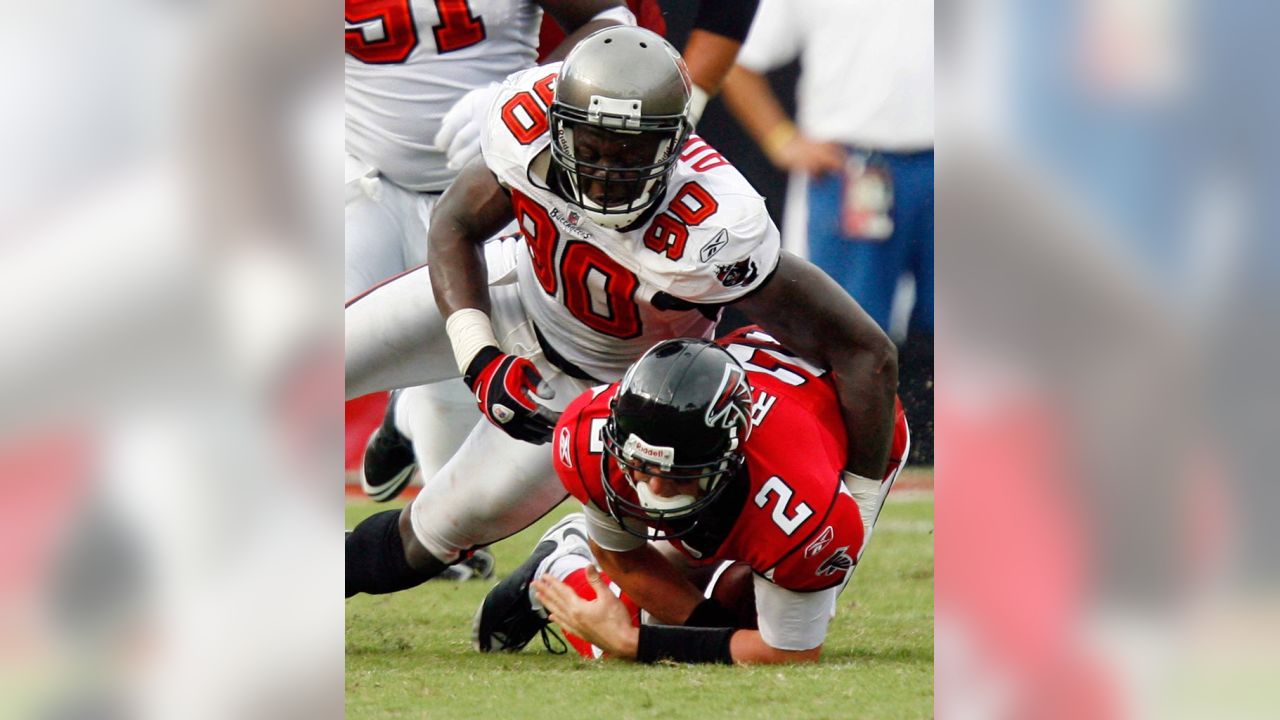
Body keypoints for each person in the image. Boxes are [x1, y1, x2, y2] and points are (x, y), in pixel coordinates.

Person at [344, 26, 898, 600]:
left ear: (676, 143)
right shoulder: (525, 119)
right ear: (558, 125)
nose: (607, 168)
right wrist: (479, 356)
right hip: (509, 292)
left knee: (428, 539)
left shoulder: (714, 227)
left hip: (588, 388)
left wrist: (854, 506)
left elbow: (866, 353)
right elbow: (456, 223)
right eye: (591, 145)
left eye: (631, 149)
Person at [356, 0, 765, 506]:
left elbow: (626, 23)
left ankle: (414, 422)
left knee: (451, 484)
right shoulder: (526, 116)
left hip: (536, 176)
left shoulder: (721, 214)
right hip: (371, 173)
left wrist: (684, 100)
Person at [472, 330, 909, 664]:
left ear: (730, 455)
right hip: (751, 402)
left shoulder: (804, 512)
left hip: (856, 440)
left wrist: (633, 643)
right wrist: (688, 629)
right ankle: (565, 562)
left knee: (752, 620)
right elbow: (626, 560)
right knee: (689, 630)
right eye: (641, 468)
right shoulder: (590, 430)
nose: (654, 491)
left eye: (679, 475)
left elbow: (789, 653)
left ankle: (570, 566)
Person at [720, 0, 934, 461]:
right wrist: (782, 140)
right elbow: (738, 59)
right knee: (840, 333)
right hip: (853, 168)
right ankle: (821, 458)